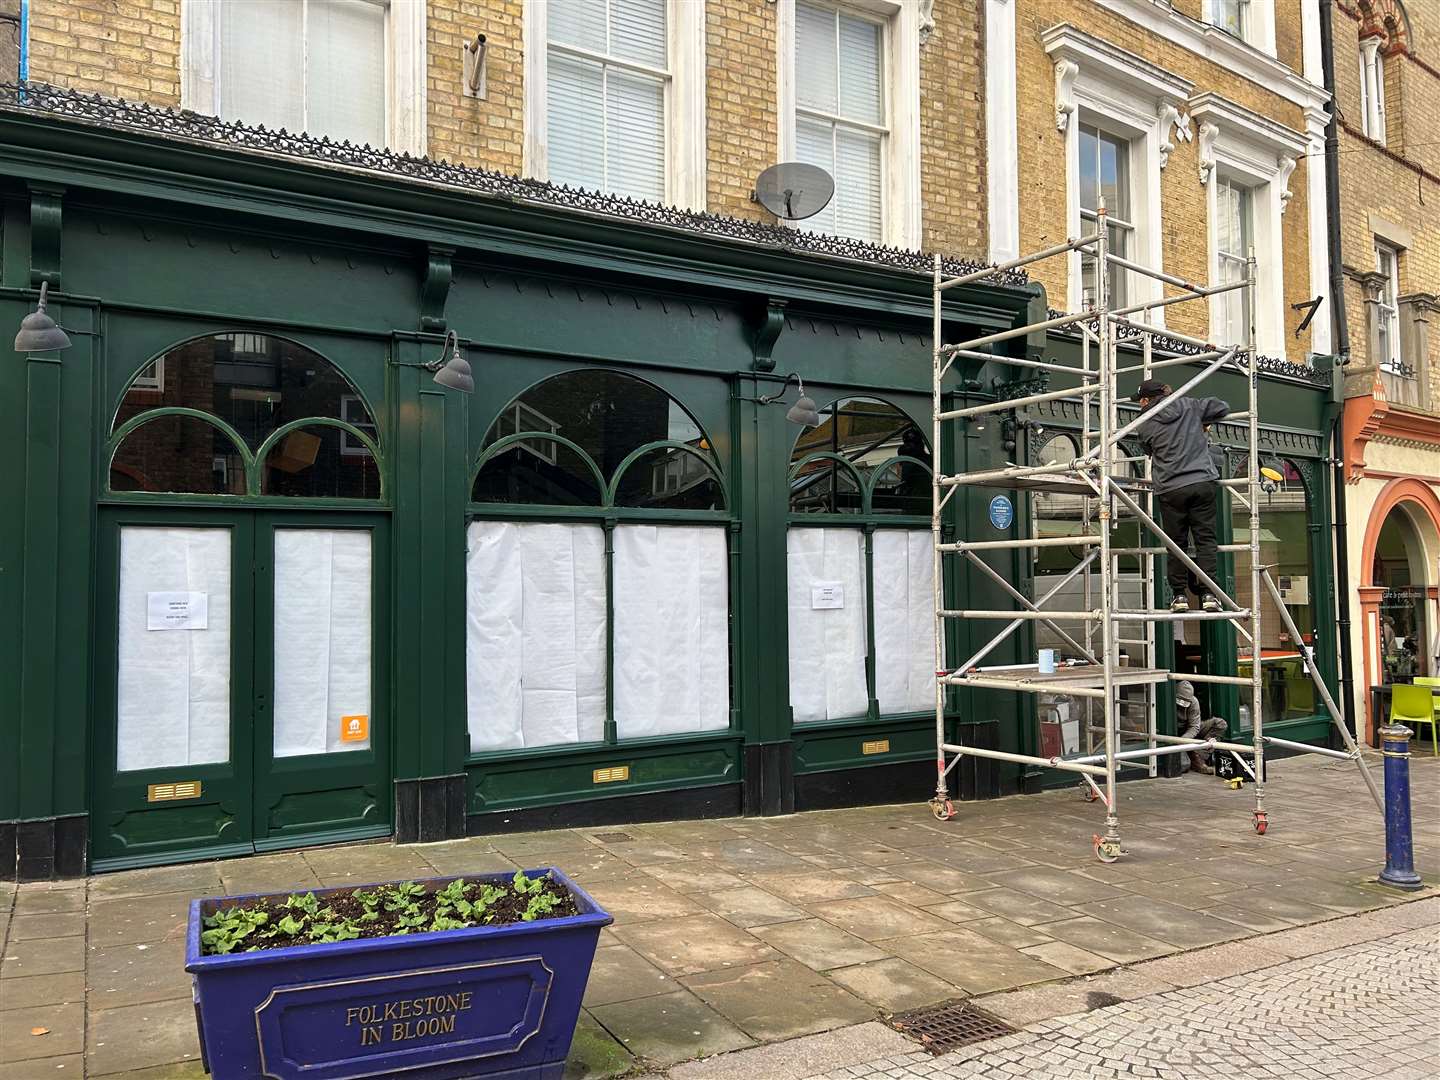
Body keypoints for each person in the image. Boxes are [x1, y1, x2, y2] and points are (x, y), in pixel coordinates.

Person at [1132, 379, 1230, 613]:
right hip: (1200, 481)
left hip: (1170, 487)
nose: (1139, 406)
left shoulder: (1144, 423)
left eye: (1140, 401)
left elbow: (1147, 450)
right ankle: (1208, 594)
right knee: (1205, 540)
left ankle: (1179, 596)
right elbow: (1222, 407)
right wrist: (1200, 421)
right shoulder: (1190, 405)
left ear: (1146, 400)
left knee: (1177, 544)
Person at [1175, 679, 1226, 774]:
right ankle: (1192, 757)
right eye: (1180, 700)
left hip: (1187, 731)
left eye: (1186, 701)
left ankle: (1198, 757)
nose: (1182, 703)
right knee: (1183, 766)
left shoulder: (1193, 702)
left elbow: (1194, 727)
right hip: (1173, 733)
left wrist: (1183, 740)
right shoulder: (1169, 700)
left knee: (1220, 724)